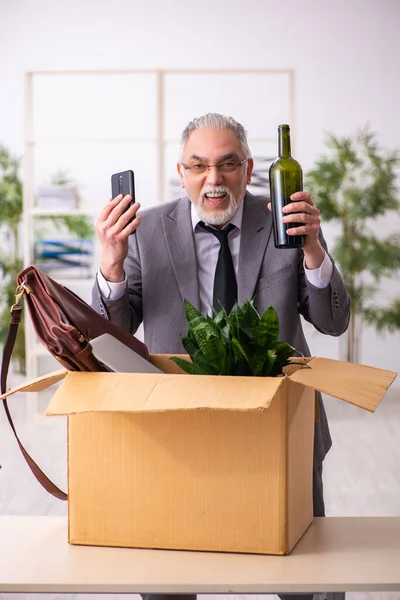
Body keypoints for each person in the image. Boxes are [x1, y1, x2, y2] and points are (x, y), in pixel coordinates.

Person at [92, 113, 351, 600]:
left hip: (281, 420)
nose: (214, 179)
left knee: (306, 574)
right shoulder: (145, 232)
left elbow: (333, 321)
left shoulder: (285, 219)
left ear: (249, 167)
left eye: (228, 164)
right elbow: (114, 335)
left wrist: (314, 249)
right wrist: (110, 262)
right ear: (182, 172)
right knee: (170, 575)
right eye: (199, 165)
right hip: (180, 426)